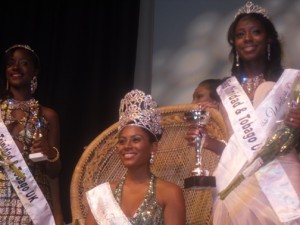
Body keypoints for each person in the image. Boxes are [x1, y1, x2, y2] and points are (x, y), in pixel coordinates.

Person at [186, 1, 300, 224]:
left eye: (256, 32)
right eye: (240, 34)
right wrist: (207, 142)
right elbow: (236, 147)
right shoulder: (225, 91)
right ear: (234, 43)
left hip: (280, 177)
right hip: (239, 183)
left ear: (268, 39)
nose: (247, 38)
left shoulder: (291, 83)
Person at [84, 89, 186, 225]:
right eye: (122, 141)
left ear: (153, 147)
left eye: (136, 140)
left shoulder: (170, 193)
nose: (127, 146)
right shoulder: (103, 194)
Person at [0, 44, 64, 224]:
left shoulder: (48, 115)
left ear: (35, 72)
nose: (16, 67)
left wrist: (50, 155)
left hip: (34, 208)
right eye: (11, 63)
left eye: (24, 63)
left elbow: (54, 172)